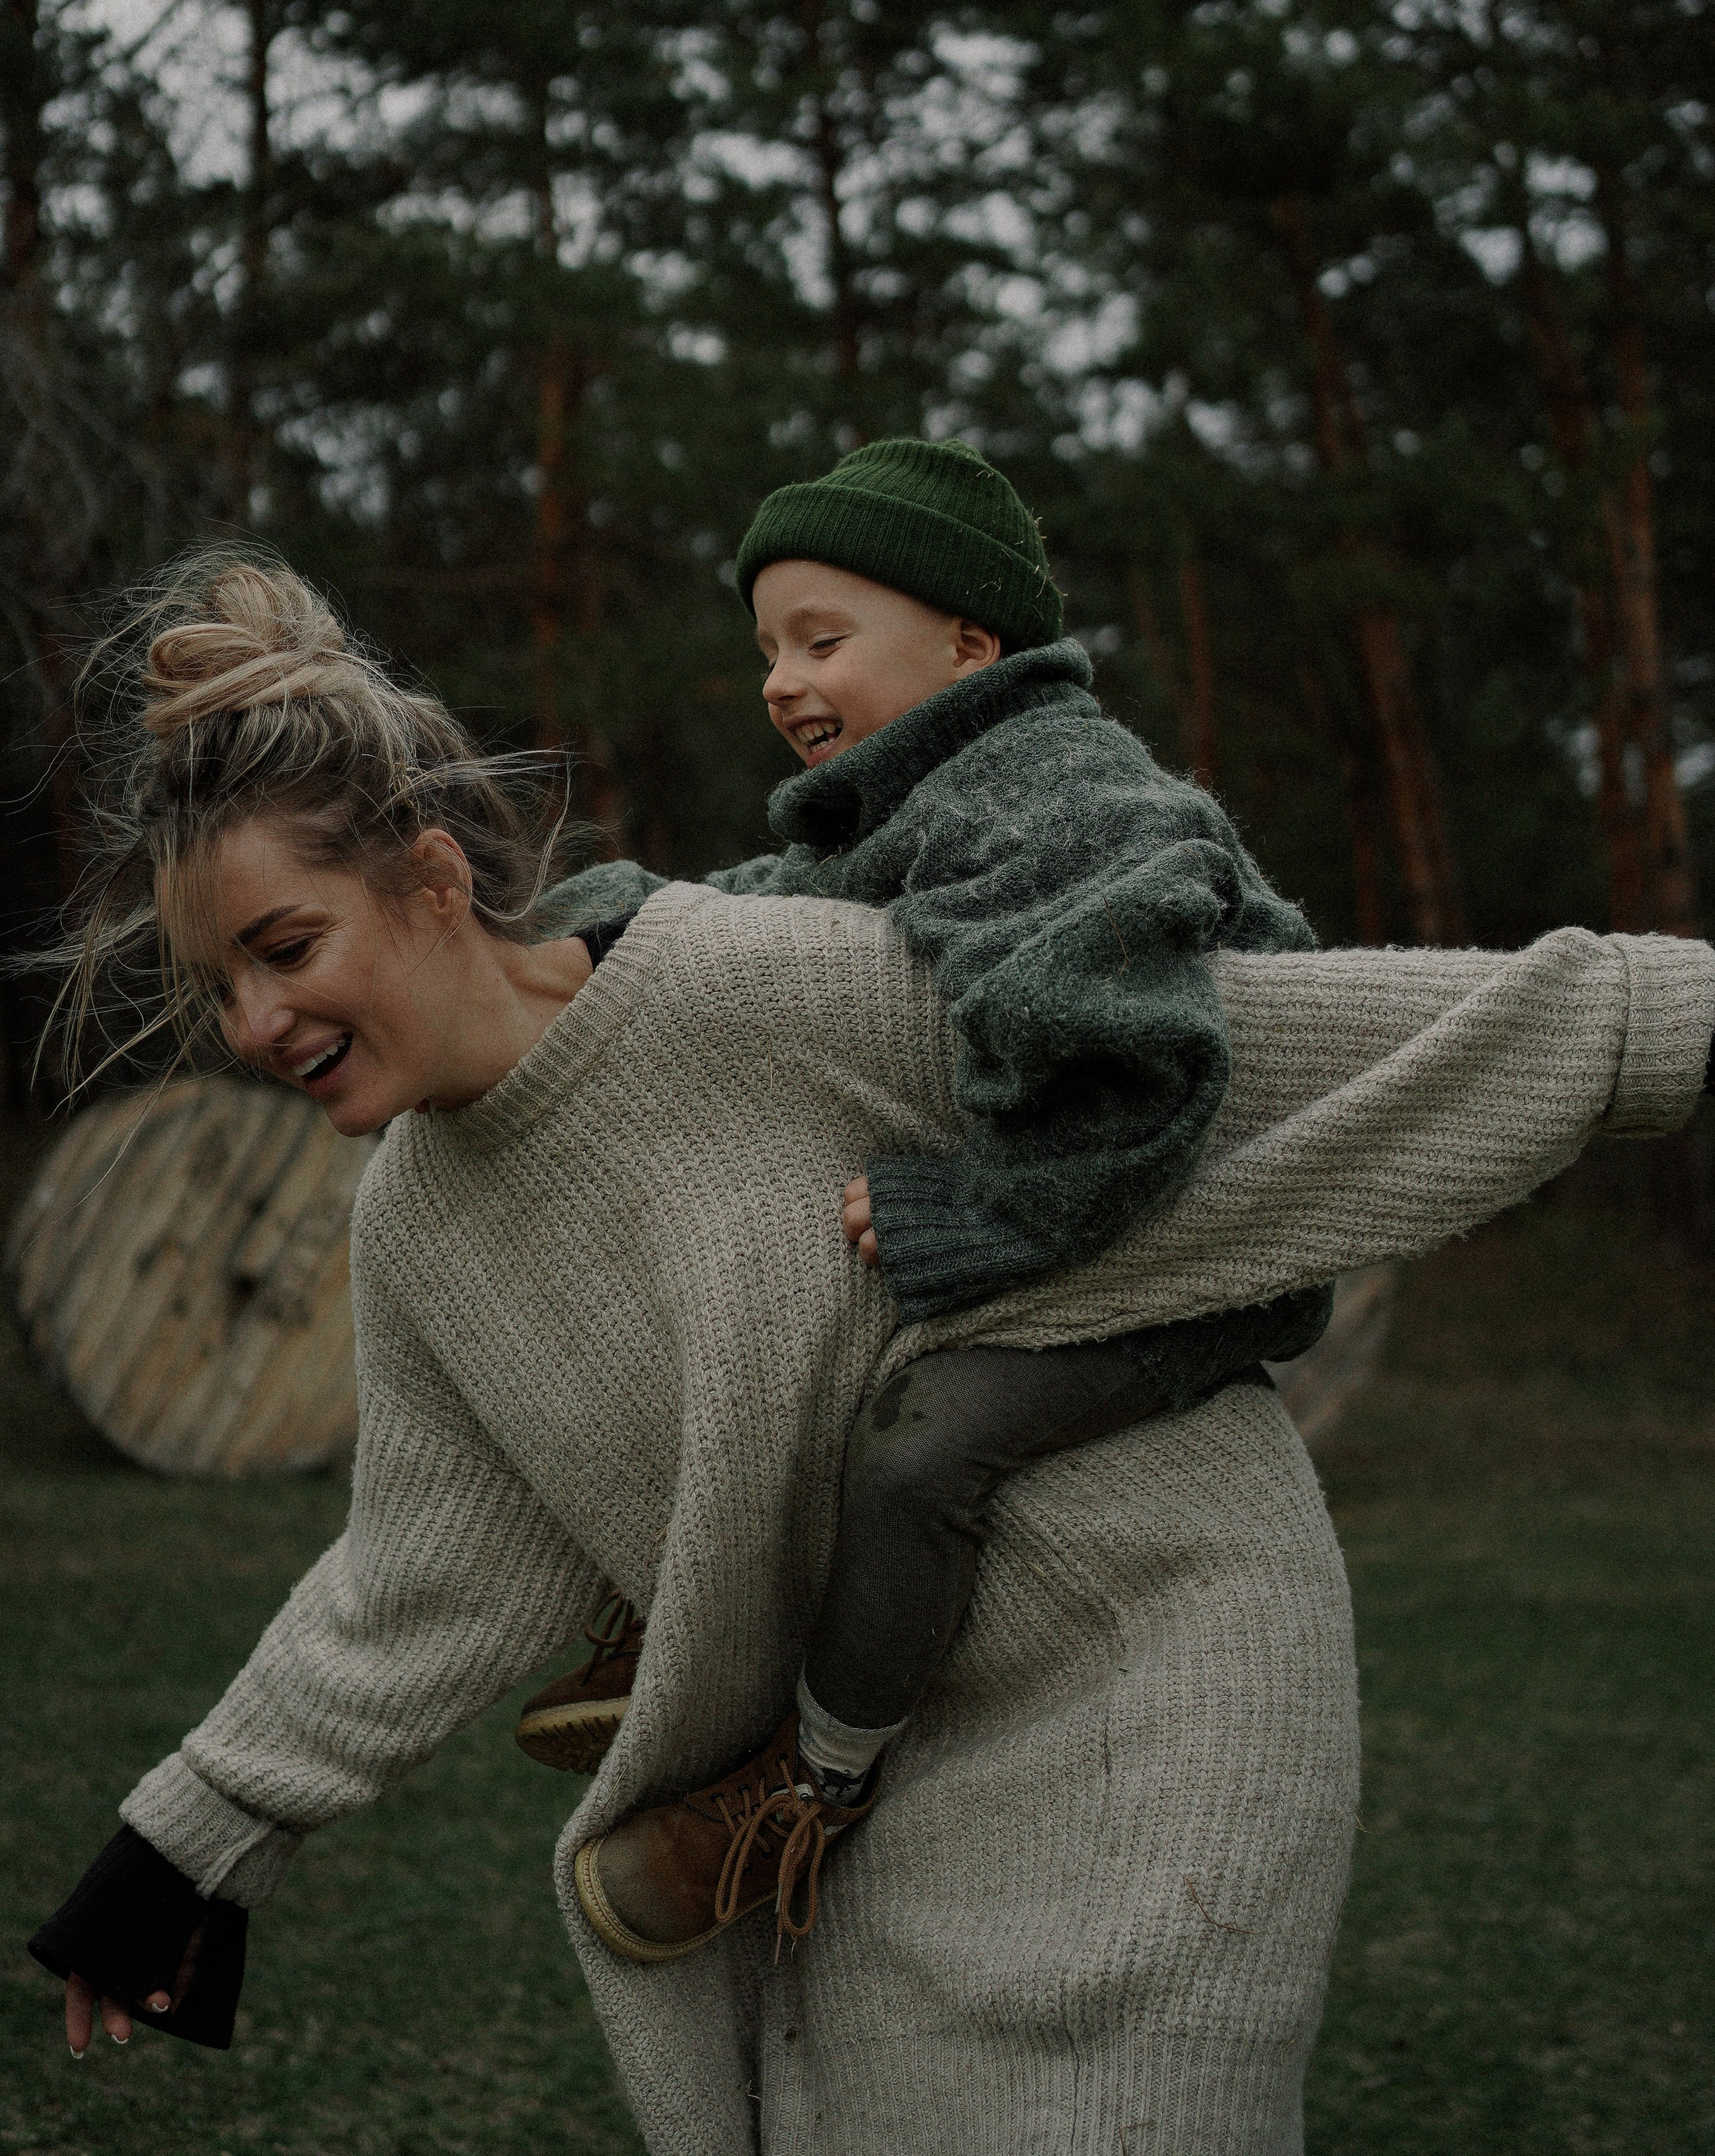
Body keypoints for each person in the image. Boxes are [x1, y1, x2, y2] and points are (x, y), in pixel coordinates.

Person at [26, 552, 1715, 2155]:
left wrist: (1663, 1018)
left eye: (284, 949)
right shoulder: (412, 1226)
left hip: (1158, 1678)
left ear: (431, 880)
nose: (255, 1026)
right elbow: (421, 1581)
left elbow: (1261, 1044)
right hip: (839, 1798)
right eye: (219, 987)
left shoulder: (741, 988)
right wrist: (187, 1844)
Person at [519, 436, 1338, 1958]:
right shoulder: (919, 796)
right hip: (1095, 1208)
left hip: (1188, 1249)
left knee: (919, 1448)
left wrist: (977, 1222)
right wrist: (567, 943)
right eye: (766, 651)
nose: (781, 681)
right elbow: (765, 913)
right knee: (763, 1296)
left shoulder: (1059, 793)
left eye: (820, 640)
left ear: (968, 645)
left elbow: (1133, 1064)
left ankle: (804, 1789)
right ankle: (704, 1613)